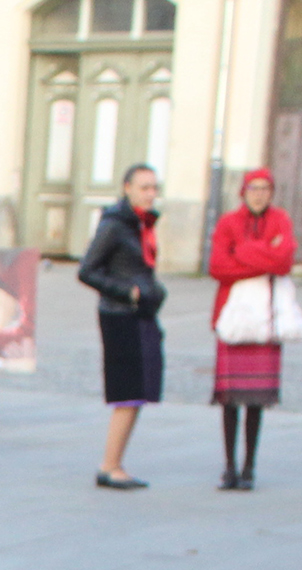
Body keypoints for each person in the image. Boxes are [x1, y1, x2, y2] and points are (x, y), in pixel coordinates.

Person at [209, 167, 295, 491]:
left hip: (265, 318)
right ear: (243, 191)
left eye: (265, 188)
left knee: (256, 398)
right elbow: (218, 266)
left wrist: (243, 252)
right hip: (232, 317)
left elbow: (283, 261)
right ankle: (229, 466)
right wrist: (264, 253)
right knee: (230, 398)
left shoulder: (280, 220)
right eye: (253, 188)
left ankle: (249, 467)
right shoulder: (228, 222)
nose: (259, 194)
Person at [80, 163, 165, 490]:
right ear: (126, 188)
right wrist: (126, 292)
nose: (150, 193)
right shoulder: (115, 225)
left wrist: (152, 292)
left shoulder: (140, 225)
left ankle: (116, 463)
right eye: (144, 187)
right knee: (127, 392)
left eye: (154, 188)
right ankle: (109, 465)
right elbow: (87, 270)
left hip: (140, 313)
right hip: (119, 314)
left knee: (139, 391)